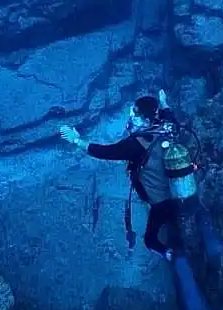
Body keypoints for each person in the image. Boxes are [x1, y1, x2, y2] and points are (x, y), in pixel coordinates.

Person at [59, 89, 186, 262]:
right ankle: (178, 227)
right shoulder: (167, 127)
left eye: (136, 113)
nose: (131, 115)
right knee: (173, 218)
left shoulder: (135, 145)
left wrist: (76, 140)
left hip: (160, 202)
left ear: (147, 121)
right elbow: (168, 114)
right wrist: (163, 102)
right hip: (179, 193)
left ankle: (174, 257)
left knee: (150, 240)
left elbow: (105, 152)